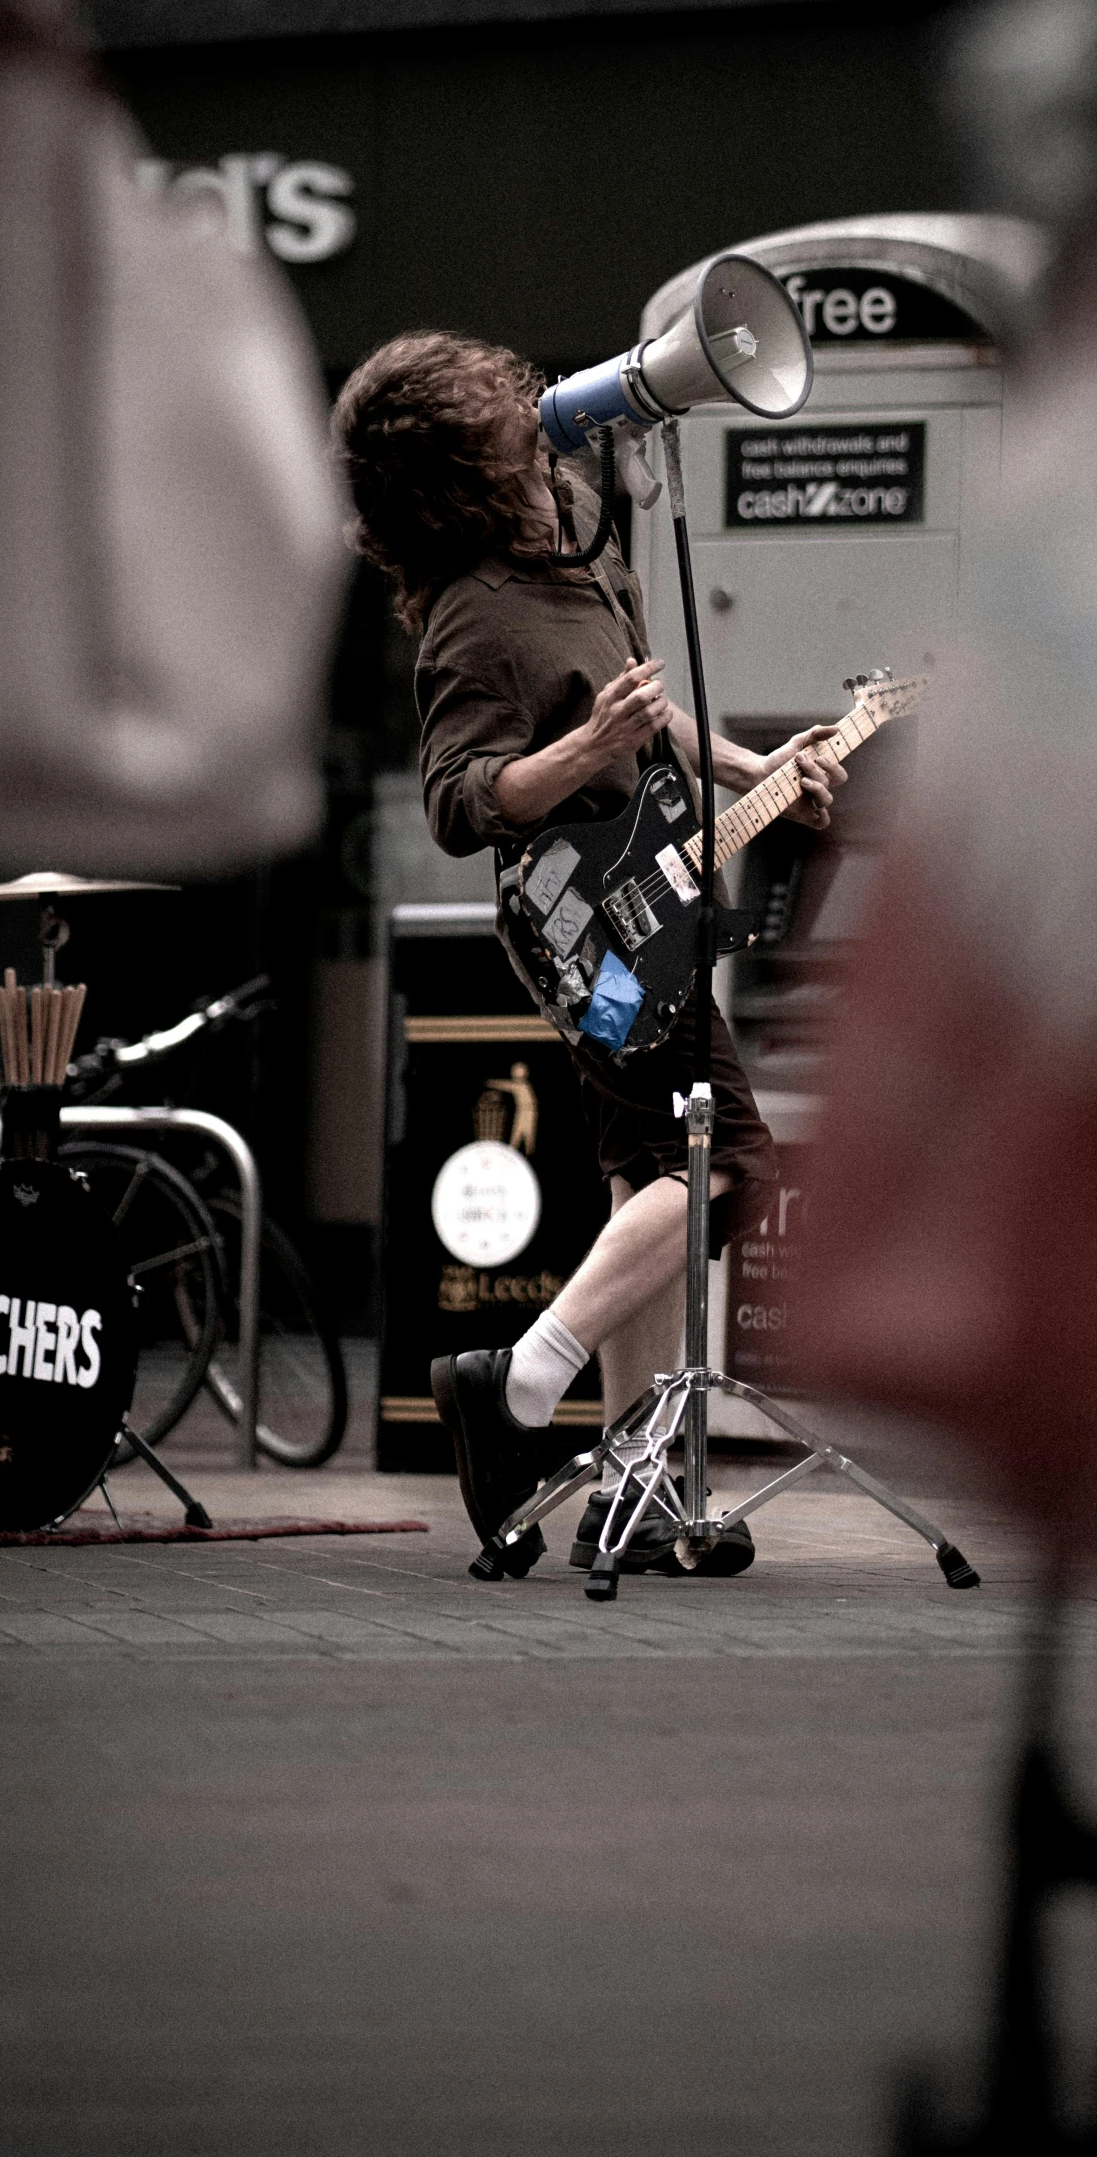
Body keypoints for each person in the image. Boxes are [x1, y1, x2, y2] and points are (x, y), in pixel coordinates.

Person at [334, 330, 846, 1575]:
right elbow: (462, 802)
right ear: (462, 470)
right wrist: (576, 752)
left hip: (649, 902)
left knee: (642, 1184)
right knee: (730, 1168)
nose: (532, 422)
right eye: (500, 419)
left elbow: (644, 703)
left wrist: (749, 767)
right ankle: (519, 1377)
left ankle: (637, 1485)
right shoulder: (471, 618)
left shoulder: (573, 530)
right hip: (585, 930)